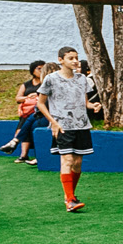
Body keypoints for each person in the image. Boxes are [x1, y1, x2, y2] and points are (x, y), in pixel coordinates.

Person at [38, 46, 95, 212]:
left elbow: (85, 102)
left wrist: (93, 106)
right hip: (63, 126)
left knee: (77, 163)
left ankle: (71, 194)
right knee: (67, 160)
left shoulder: (82, 79)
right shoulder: (51, 79)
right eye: (71, 58)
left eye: (76, 57)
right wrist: (53, 122)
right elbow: (40, 104)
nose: (75, 61)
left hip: (82, 125)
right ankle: (70, 200)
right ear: (60, 60)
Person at [2, 59, 49, 164]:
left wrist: (37, 96)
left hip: (39, 111)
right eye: (39, 68)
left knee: (30, 123)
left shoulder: (46, 83)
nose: (41, 71)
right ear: (33, 70)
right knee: (27, 120)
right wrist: (28, 98)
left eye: (43, 69)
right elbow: (18, 98)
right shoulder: (27, 84)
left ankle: (16, 143)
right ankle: (22, 154)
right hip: (30, 111)